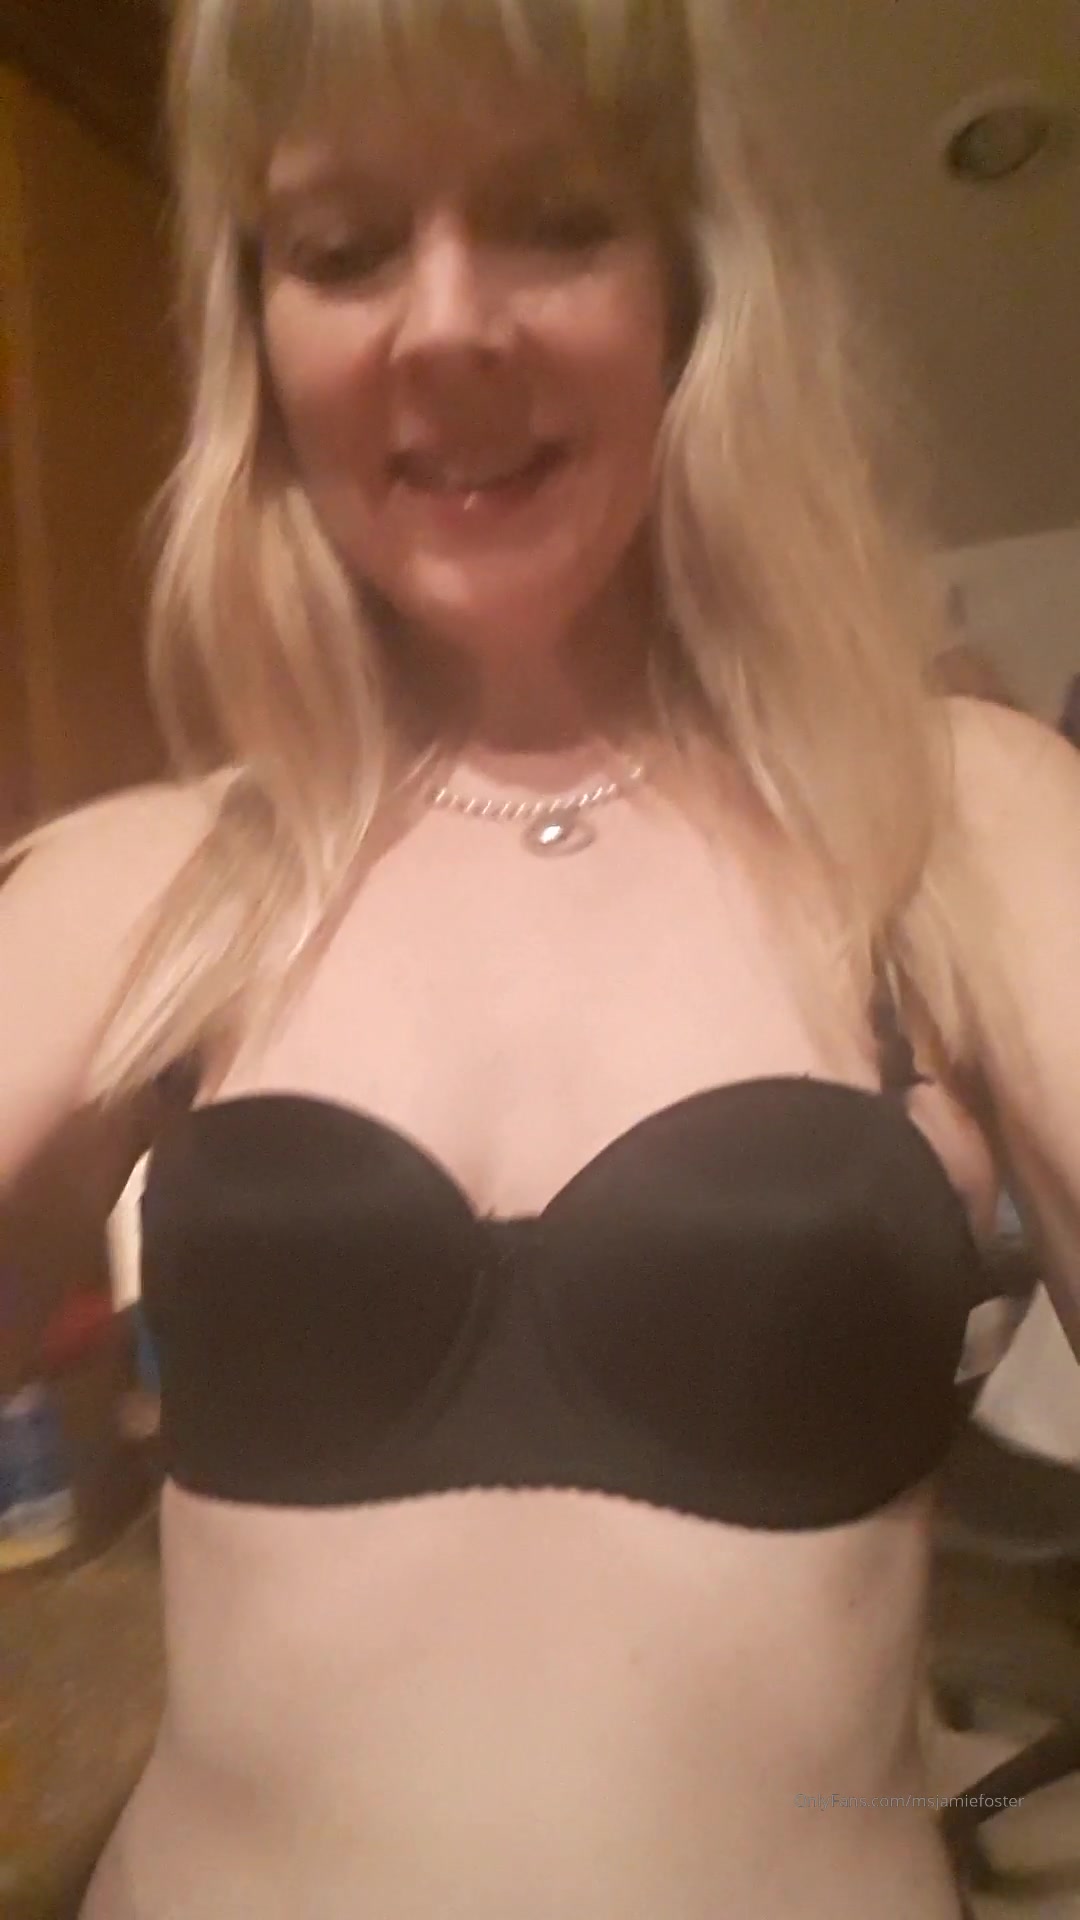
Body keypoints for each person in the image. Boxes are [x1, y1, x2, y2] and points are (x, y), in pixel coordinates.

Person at [2, 1, 1078, 1915]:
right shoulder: (155, 879)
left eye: (554, 219)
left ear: (691, 284)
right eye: (345, 248)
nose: (444, 324)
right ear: (263, 337)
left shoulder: (948, 822)